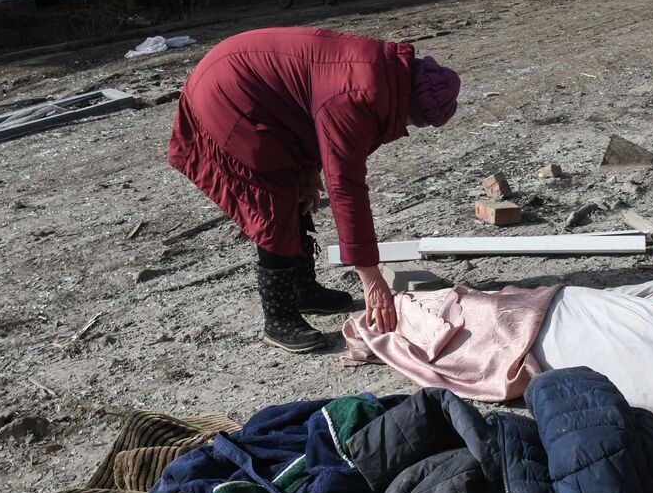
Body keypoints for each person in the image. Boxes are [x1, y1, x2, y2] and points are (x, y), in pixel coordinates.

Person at [167, 28, 461, 354]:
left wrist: (308, 169)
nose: (404, 127)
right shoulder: (360, 95)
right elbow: (345, 185)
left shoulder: (385, 72)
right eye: (411, 121)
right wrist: (370, 276)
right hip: (228, 94)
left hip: (254, 89)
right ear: (410, 104)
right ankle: (278, 318)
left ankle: (302, 290)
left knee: (297, 184)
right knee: (272, 196)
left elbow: (306, 108)